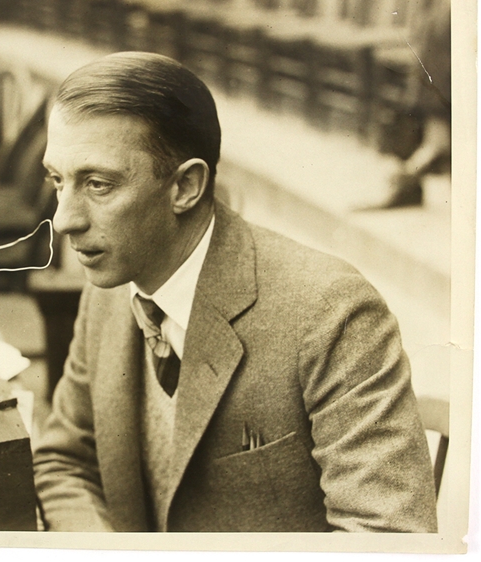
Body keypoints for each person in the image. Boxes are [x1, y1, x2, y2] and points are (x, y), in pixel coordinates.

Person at [33, 51, 438, 532]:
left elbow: (388, 540)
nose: (64, 220)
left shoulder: (331, 312)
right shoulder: (110, 285)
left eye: (98, 184)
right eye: (58, 180)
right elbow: (65, 461)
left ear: (186, 186)